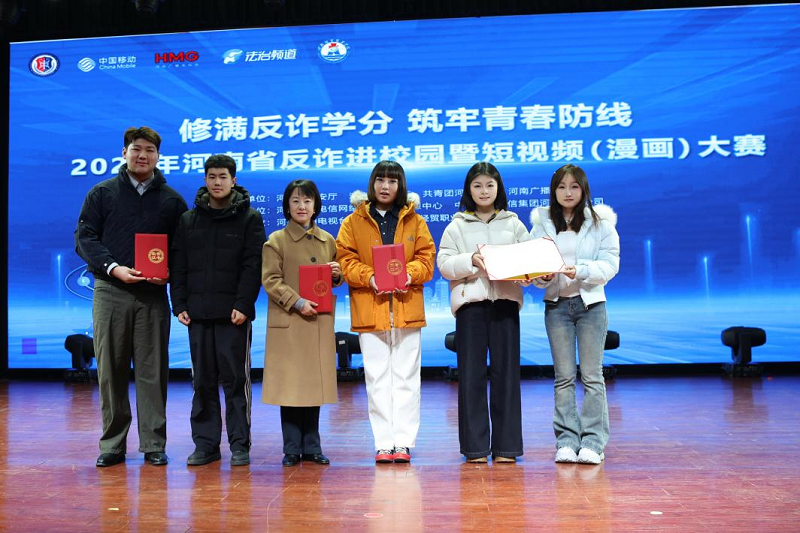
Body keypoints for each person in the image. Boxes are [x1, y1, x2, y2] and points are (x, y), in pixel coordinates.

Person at [75, 126, 188, 467]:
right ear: (124, 152)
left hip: (153, 296)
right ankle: (112, 444)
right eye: (136, 149)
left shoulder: (171, 200)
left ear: (158, 156)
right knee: (110, 369)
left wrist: (170, 274)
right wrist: (113, 268)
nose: (143, 155)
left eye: (150, 150)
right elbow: (84, 238)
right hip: (111, 291)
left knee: (153, 371)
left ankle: (153, 443)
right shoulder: (102, 193)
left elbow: (181, 250)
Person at [336, 161, 435, 464]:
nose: (385, 186)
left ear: (400, 185)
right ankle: (383, 443)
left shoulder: (415, 220)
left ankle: (403, 442)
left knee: (407, 378)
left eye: (392, 181)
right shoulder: (353, 222)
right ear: (372, 183)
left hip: (407, 308)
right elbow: (345, 260)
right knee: (377, 379)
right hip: (370, 308)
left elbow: (427, 259)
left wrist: (408, 273)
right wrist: (371, 278)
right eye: (380, 179)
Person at [170, 154, 266, 467]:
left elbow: (253, 265)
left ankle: (240, 445)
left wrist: (243, 304)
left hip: (234, 316)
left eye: (223, 176)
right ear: (205, 179)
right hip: (197, 314)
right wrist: (179, 304)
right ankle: (206, 445)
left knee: (236, 382)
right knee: (202, 383)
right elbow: (179, 265)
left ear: (233, 180)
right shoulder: (189, 219)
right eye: (212, 176)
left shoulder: (250, 218)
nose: (217, 182)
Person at [437, 162, 531, 464]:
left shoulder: (514, 224)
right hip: (471, 306)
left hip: (505, 304)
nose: (484, 191)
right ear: (469, 190)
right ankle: (475, 449)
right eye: (477, 185)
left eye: (489, 185)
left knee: (507, 376)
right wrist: (471, 260)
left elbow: (529, 261)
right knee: (470, 377)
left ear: (498, 188)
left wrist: (528, 273)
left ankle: (506, 448)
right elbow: (444, 264)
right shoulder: (456, 226)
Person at [530, 164, 620, 465]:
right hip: (557, 306)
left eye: (574, 186)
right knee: (564, 377)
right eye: (561, 187)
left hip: (591, 305)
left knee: (592, 376)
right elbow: (532, 267)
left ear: (584, 190)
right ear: (553, 191)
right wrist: (541, 276)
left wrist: (579, 271)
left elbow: (610, 265)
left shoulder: (601, 224)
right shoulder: (542, 225)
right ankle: (567, 441)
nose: (567, 192)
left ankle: (593, 442)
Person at [262, 179, 341, 467]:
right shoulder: (276, 240)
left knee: (313, 387)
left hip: (318, 322)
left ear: (316, 205)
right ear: (287, 206)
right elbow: (271, 280)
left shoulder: (328, 240)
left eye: (307, 200)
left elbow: (333, 277)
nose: (301, 206)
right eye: (295, 201)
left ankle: (312, 447)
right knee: (291, 388)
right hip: (291, 321)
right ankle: (292, 448)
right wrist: (296, 301)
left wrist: (337, 274)